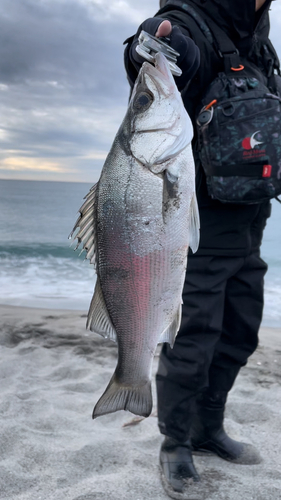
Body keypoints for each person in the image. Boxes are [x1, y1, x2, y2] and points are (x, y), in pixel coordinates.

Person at [124, 0, 277, 494]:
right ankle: (176, 444)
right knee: (192, 341)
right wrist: (149, 47)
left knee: (239, 332)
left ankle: (208, 428)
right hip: (195, 225)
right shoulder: (193, 19)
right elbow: (168, 52)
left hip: (250, 221)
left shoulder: (261, 41)